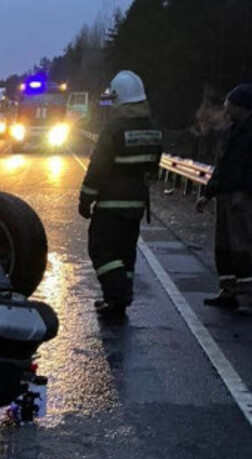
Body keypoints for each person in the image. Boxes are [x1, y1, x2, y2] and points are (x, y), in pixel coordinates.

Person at [79, 71, 163, 321]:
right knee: (126, 254)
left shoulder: (114, 129)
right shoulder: (152, 129)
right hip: (136, 205)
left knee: (101, 250)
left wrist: (86, 198)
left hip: (110, 204)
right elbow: (153, 167)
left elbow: (98, 167)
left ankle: (118, 296)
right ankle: (118, 301)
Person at [195, 84, 252, 315]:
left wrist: (246, 193)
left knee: (243, 247)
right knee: (224, 246)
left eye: (231, 105)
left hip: (243, 198)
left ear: (242, 107)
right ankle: (228, 292)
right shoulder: (231, 132)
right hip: (225, 196)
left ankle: (247, 295)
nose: (227, 110)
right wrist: (207, 195)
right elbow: (221, 167)